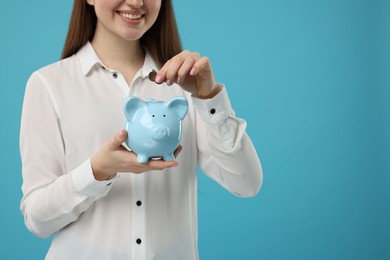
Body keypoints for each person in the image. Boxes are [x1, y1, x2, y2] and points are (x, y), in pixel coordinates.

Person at [19, 0, 263, 259]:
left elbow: (247, 183)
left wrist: (209, 97)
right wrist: (95, 171)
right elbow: (37, 219)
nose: (136, 2)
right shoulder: (48, 85)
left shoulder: (185, 85)